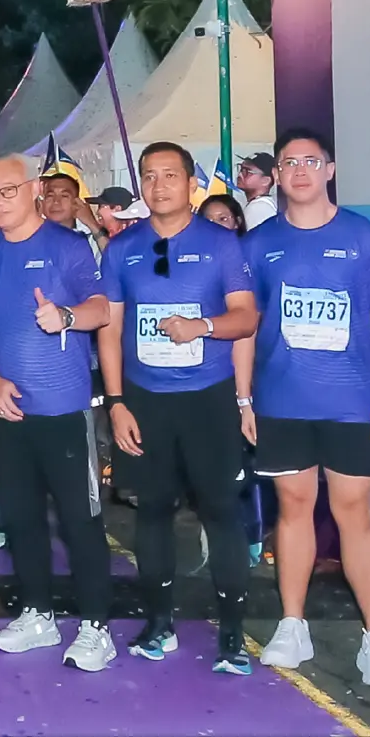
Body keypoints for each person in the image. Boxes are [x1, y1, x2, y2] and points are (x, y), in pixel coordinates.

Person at [239, 128, 370, 688]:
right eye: (289, 162)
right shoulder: (259, 245)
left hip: (352, 404)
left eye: (311, 160)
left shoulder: (364, 239)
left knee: (355, 515)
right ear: (277, 175)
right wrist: (243, 398)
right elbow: (247, 327)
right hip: (282, 404)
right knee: (293, 510)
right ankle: (292, 624)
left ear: (330, 169)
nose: (300, 170)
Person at [98, 142, 258, 674]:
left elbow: (246, 318)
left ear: (191, 184)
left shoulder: (221, 244)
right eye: (149, 176)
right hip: (145, 402)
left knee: (221, 511)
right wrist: (116, 402)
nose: (158, 185)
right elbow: (111, 330)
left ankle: (232, 634)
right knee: (152, 511)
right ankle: (159, 622)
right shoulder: (122, 249)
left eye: (170, 175)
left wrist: (202, 327)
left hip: (208, 400)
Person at [0, 154, 116, 672]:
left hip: (63, 412)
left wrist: (66, 315)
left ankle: (96, 627)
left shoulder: (68, 246)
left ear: (32, 190)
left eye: (7, 191)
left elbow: (101, 308)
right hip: (6, 412)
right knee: (20, 519)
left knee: (80, 520)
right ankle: (37, 613)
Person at [41, 173, 105, 258]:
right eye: (50, 196)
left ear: (77, 203)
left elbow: (115, 261)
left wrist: (92, 224)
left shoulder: (90, 236)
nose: (56, 201)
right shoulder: (31, 233)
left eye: (64, 196)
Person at [235, 152, 277, 231]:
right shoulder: (263, 204)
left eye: (247, 172)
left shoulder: (259, 207)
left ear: (266, 180)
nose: (240, 175)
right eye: (241, 169)